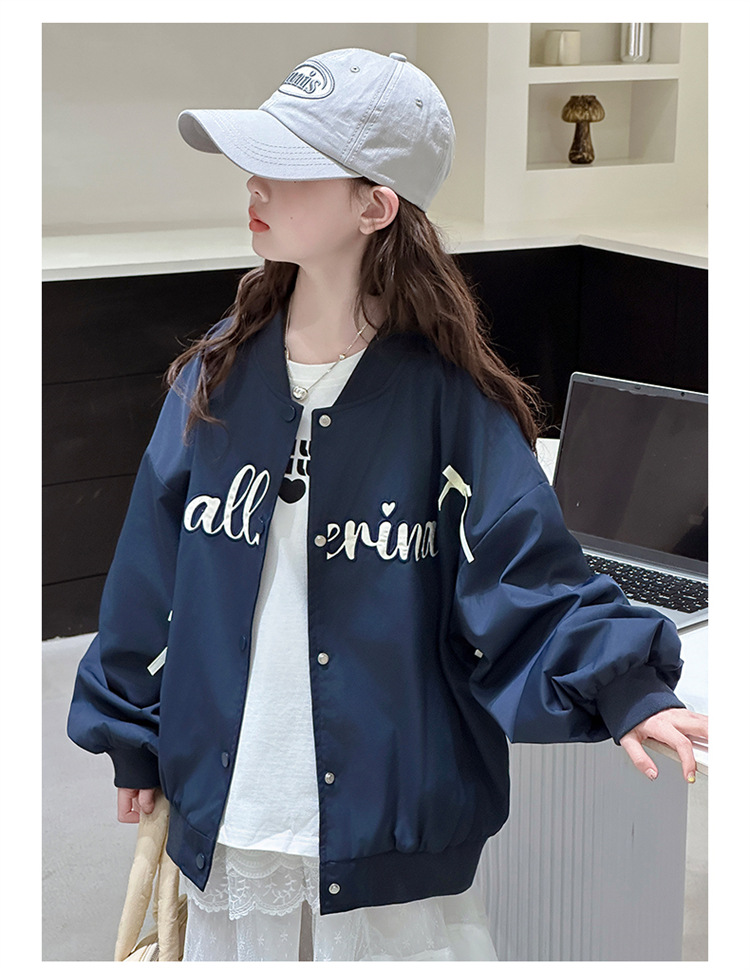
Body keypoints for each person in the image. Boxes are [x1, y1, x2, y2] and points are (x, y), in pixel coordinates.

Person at [67, 48, 708, 961]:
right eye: (255, 160)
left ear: (375, 207)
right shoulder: (217, 374)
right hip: (233, 791)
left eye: (288, 166)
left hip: (386, 809)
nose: (254, 183)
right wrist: (131, 728)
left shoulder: (449, 401)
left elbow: (525, 573)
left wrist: (624, 685)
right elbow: (149, 571)